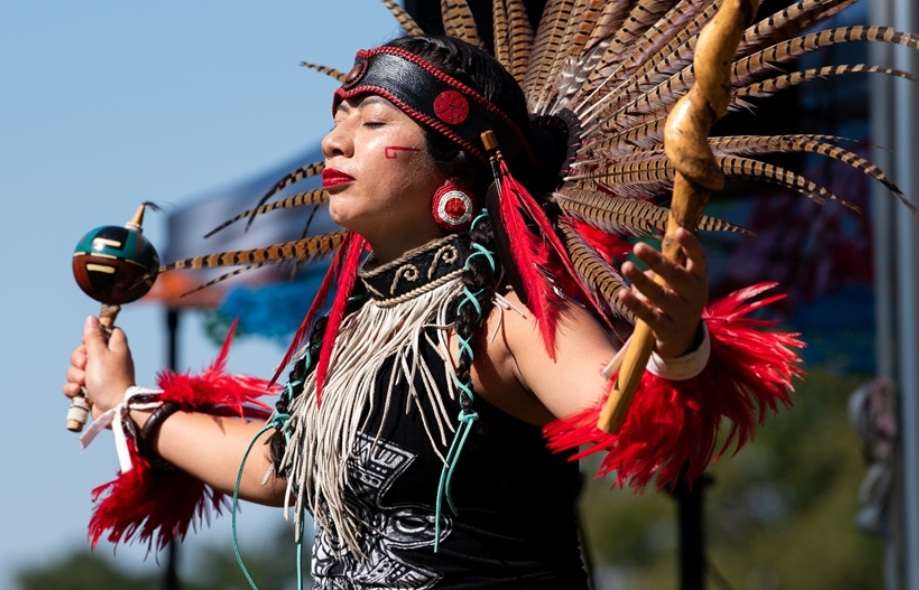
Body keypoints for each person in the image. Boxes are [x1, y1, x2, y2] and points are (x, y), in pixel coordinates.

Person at [65, 35, 715, 587]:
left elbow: (619, 408)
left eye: (372, 123)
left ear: (455, 167)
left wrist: (674, 342)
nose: (332, 141)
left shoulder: (506, 319)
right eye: (340, 119)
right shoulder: (348, 335)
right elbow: (278, 464)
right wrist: (128, 402)